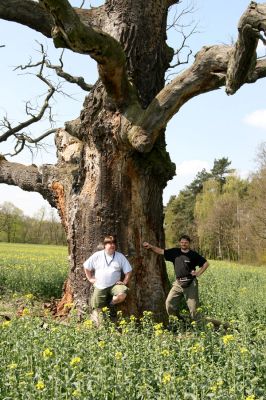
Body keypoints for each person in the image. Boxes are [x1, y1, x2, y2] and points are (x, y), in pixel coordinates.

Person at [143, 235, 209, 321]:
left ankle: (198, 326)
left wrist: (198, 273)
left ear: (189, 243)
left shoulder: (193, 255)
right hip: (178, 283)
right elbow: (161, 251)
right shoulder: (175, 252)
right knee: (169, 304)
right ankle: (179, 321)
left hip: (191, 284)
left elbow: (206, 264)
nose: (183, 244)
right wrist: (151, 247)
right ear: (180, 243)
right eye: (182, 242)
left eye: (185, 243)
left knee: (194, 309)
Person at [84, 235, 132, 323]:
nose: (112, 245)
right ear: (104, 245)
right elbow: (86, 267)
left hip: (115, 285)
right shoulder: (97, 255)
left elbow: (128, 271)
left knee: (122, 294)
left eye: (113, 243)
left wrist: (124, 282)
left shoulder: (120, 256)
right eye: (109, 243)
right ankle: (103, 323)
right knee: (97, 306)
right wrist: (90, 278)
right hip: (100, 285)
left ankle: (111, 304)